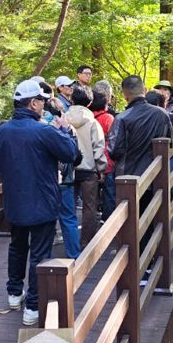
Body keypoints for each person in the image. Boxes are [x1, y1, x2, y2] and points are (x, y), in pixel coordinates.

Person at [0, 79, 79, 325]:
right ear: (33, 103)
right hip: (43, 202)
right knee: (39, 254)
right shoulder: (45, 131)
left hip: (15, 202)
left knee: (17, 247)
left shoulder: (2, 132)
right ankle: (32, 307)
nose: (43, 104)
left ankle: (14, 293)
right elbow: (71, 154)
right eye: (41, 100)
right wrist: (65, 130)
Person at [109, 75, 173, 178]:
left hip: (128, 176)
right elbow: (171, 144)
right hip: (158, 176)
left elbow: (114, 151)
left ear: (125, 95)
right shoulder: (162, 114)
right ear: (144, 90)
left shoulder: (122, 118)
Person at [66, 85, 107, 247]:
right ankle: (86, 242)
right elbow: (98, 147)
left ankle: (71, 242)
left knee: (69, 207)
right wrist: (101, 168)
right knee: (90, 207)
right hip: (89, 170)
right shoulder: (92, 123)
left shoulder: (63, 119)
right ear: (89, 103)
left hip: (68, 169)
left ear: (71, 99)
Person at [89, 89, 117, 219]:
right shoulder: (108, 118)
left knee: (91, 192)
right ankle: (108, 218)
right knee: (109, 190)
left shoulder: (88, 116)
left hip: (90, 155)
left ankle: (92, 218)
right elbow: (114, 137)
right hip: (106, 155)